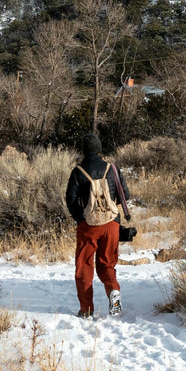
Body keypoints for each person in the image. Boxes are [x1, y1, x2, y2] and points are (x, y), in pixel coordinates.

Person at [64, 133, 132, 318]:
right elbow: (125, 194)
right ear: (100, 149)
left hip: (89, 226)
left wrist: (81, 219)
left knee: (84, 266)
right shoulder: (112, 168)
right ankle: (113, 292)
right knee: (106, 264)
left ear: (83, 151)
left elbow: (70, 200)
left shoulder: (78, 171)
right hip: (111, 224)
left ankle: (86, 310)